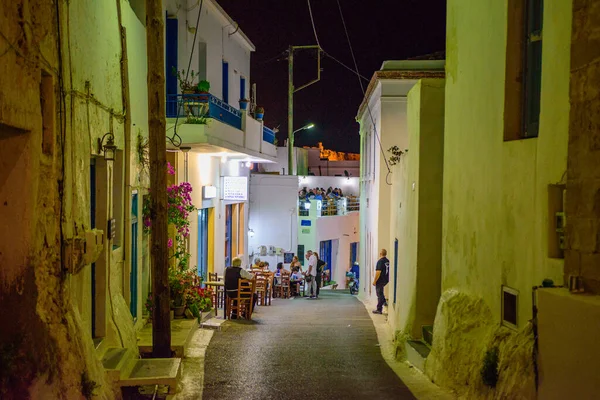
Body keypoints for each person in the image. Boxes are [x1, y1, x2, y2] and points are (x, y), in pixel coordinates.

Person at [372, 249, 390, 314]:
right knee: (381, 293)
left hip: (380, 279)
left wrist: (374, 281)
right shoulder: (387, 261)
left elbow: (378, 272)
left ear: (380, 254)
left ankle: (379, 308)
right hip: (386, 279)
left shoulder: (380, 261)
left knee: (379, 293)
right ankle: (384, 301)